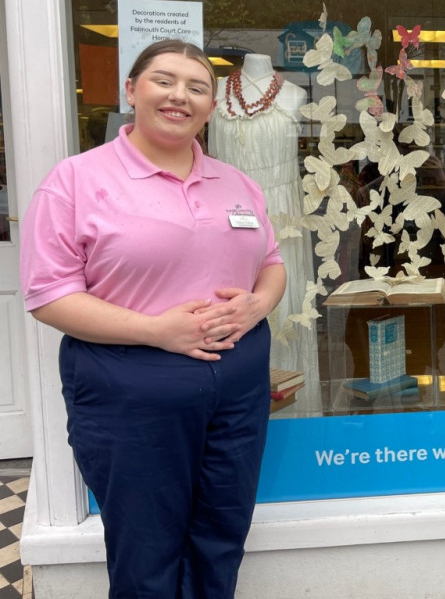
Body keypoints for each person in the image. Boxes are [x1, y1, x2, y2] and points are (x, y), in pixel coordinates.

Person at [20, 39, 287, 598]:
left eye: (197, 87)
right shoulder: (75, 181)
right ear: (132, 91)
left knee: (221, 532)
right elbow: (49, 295)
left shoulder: (237, 184)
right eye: (164, 80)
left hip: (237, 384)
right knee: (147, 545)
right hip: (132, 382)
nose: (179, 96)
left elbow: (272, 263)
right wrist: (157, 331)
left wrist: (259, 304)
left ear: (212, 106)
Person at [209, 53, 321, 413]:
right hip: (222, 209)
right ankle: (230, 410)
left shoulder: (293, 94)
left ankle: (290, 412)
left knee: (283, 308)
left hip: (280, 212)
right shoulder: (217, 91)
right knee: (222, 302)